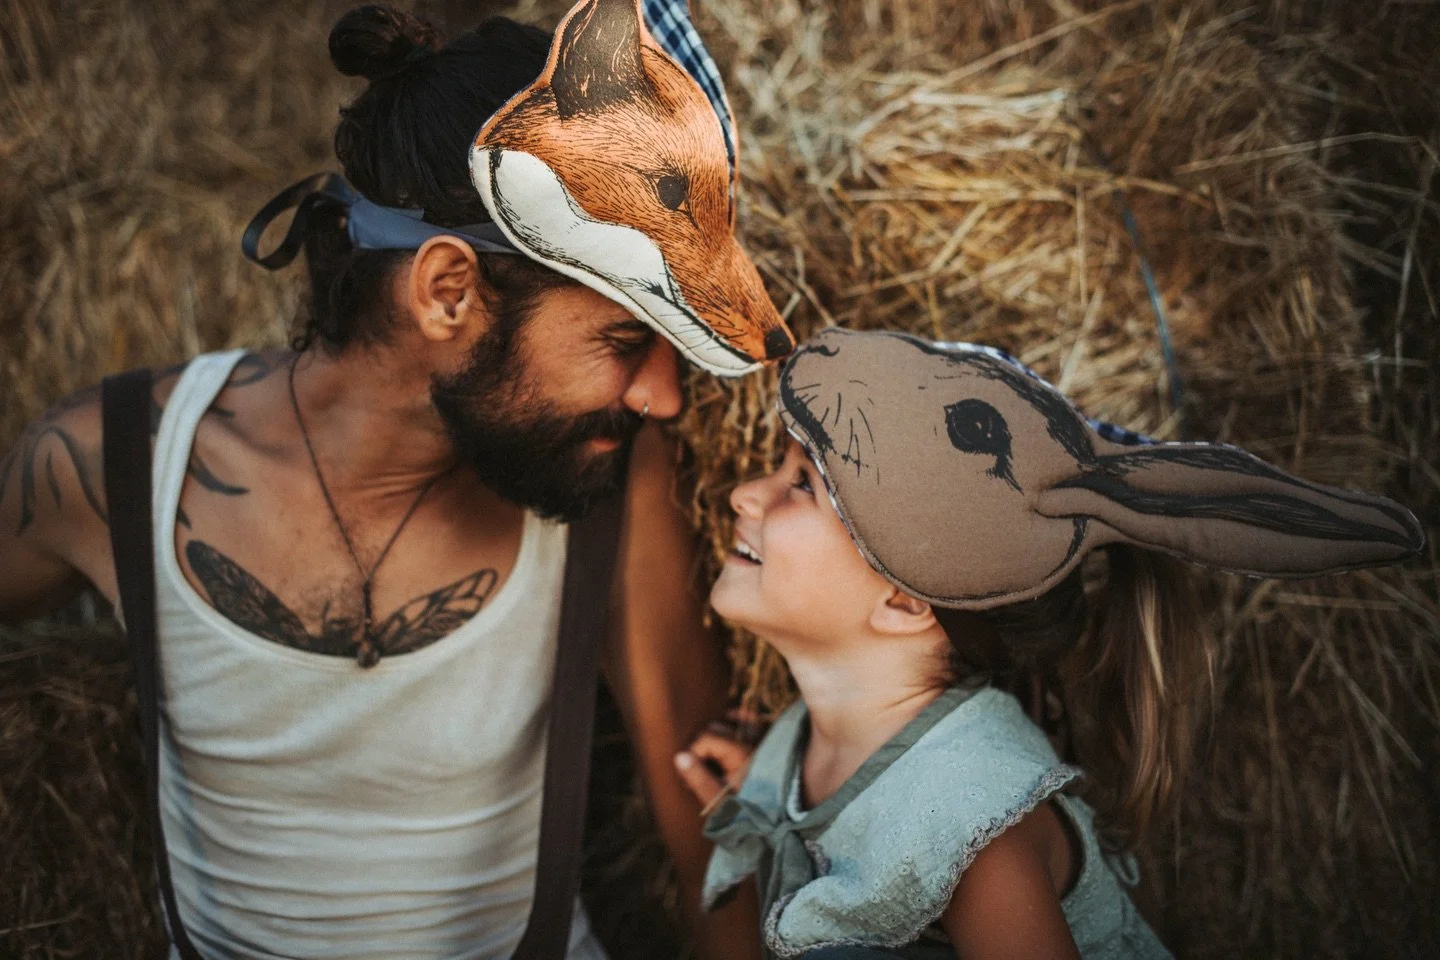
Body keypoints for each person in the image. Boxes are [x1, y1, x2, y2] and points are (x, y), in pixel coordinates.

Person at [0, 3, 791, 957]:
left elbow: (710, 834)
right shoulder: (109, 464)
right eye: (626, 342)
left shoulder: (608, 479)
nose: (665, 399)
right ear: (447, 291)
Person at [672, 328, 1424, 959]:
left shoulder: (975, 826)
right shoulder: (792, 753)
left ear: (903, 599)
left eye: (801, 484)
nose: (746, 493)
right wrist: (765, 831)